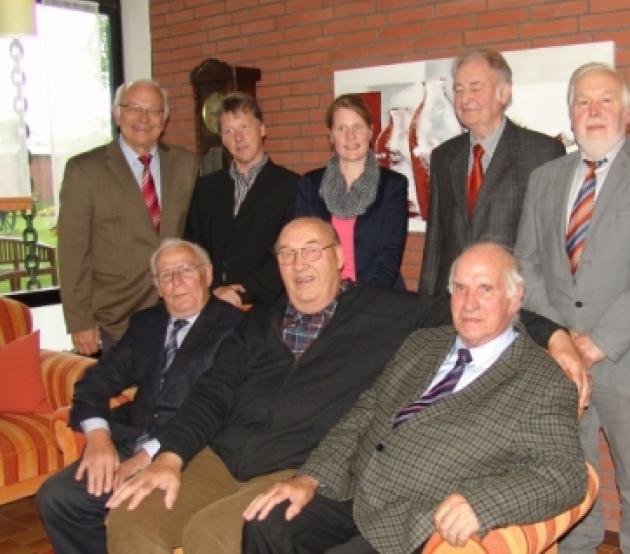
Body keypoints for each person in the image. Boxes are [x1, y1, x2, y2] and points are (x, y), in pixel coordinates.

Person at [102, 218, 581, 554]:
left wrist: (555, 335)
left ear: (338, 259)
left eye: (312, 250)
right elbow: (214, 393)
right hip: (254, 461)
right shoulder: (260, 322)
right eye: (287, 253)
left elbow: (563, 473)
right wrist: (170, 455)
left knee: (219, 532)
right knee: (132, 515)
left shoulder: (388, 313)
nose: (299, 262)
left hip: (335, 478)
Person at [240, 243, 585, 554]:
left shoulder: (543, 380)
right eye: (460, 289)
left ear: (515, 299)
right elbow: (365, 412)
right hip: (354, 488)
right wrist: (309, 478)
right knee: (267, 525)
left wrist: (483, 504)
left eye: (485, 289)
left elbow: (566, 474)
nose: (470, 303)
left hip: (414, 516)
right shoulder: (423, 343)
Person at [515, 62, 630, 554]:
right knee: (571, 475)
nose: (593, 111)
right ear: (570, 113)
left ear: (628, 110)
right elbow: (525, 262)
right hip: (560, 359)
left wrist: (599, 340)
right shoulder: (545, 179)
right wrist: (562, 338)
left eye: (605, 100)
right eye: (582, 102)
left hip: (628, 360)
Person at [36, 239, 243, 554]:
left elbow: (219, 408)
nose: (176, 282)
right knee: (58, 497)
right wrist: (98, 438)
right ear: (158, 287)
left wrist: (145, 457)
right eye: (166, 275)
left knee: (131, 512)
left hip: (191, 452)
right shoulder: (146, 323)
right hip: (128, 437)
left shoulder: (236, 328)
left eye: (186, 270)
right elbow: (97, 380)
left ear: (207, 274)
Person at [58, 79, 198, 355]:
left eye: (154, 110)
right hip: (113, 319)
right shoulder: (84, 171)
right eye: (134, 108)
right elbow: (72, 253)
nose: (143, 118)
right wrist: (80, 320)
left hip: (174, 312)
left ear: (165, 118)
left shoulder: (185, 165)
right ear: (116, 113)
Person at [418, 48, 565, 296]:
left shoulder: (543, 154)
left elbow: (553, 249)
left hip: (515, 305)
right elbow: (434, 245)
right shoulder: (443, 157)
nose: (465, 99)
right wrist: (424, 312)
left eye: (476, 88)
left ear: (503, 92)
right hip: (453, 305)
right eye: (459, 90)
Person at [184, 92, 299, 307]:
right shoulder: (205, 188)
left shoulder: (291, 187)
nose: (239, 137)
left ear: (262, 129)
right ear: (222, 139)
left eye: (245, 127)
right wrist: (213, 287)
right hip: (212, 302)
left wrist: (244, 292)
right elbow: (193, 245)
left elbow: (291, 252)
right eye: (229, 130)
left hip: (266, 307)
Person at [295, 94, 408, 288]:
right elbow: (302, 248)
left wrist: (358, 302)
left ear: (371, 131)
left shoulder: (393, 186)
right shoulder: (310, 185)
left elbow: (389, 256)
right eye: (342, 128)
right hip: (323, 293)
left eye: (357, 127)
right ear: (330, 135)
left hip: (376, 297)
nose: (350, 136)